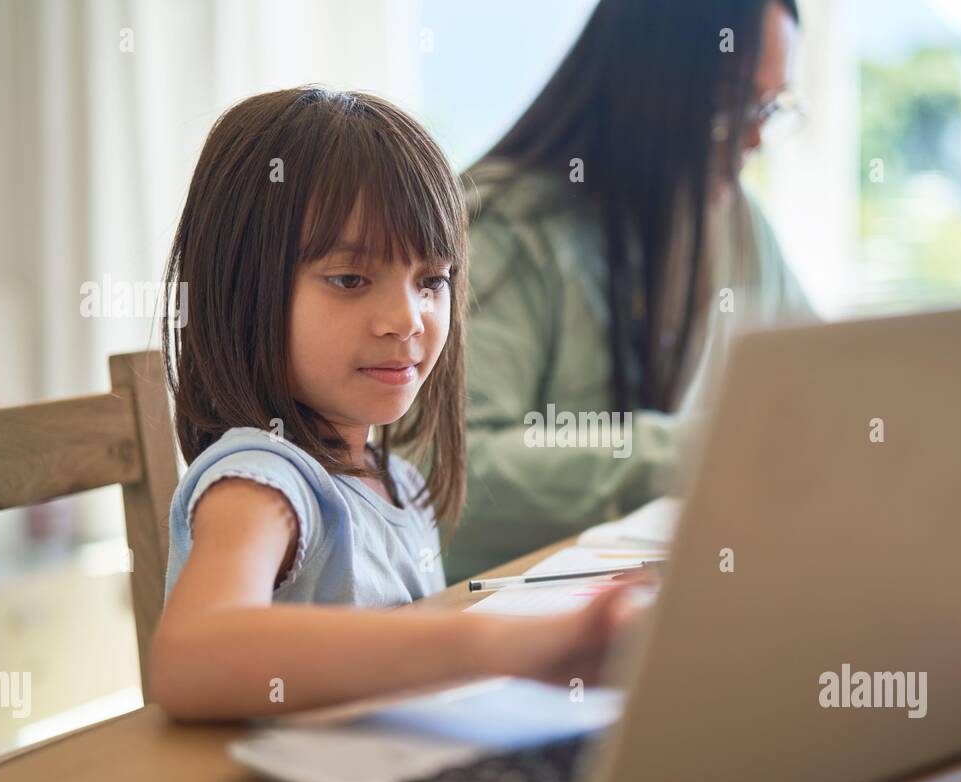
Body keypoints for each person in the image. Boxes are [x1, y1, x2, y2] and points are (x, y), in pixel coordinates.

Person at [154, 88, 634, 721]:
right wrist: (500, 644)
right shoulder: (265, 482)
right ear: (241, 290)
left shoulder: (396, 479)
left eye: (431, 280)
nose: (407, 319)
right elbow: (191, 658)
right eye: (351, 280)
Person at [447, 0, 815, 581]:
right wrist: (690, 452)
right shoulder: (509, 230)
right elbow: (454, 465)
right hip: (499, 621)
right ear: (655, 89)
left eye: (770, 107)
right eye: (735, 104)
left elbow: (822, 384)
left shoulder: (736, 220)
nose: (755, 138)